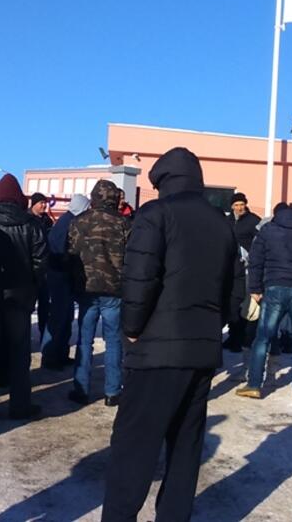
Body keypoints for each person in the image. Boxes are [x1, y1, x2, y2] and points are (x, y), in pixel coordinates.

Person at [102, 148, 243, 522]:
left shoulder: (156, 215)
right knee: (184, 448)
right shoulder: (222, 223)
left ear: (162, 182)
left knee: (133, 448)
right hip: (202, 350)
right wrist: (212, 326)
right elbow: (234, 290)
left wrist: (131, 328)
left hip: (157, 352)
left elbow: (139, 279)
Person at [239, 200, 292, 400]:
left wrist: (254, 288)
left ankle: (253, 384)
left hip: (273, 287)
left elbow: (256, 260)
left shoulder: (268, 229)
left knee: (263, 338)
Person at [0, 174, 48, 420]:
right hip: (20, 296)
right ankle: (19, 405)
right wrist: (31, 285)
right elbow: (41, 261)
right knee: (20, 353)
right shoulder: (31, 224)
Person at [67, 181, 130, 406]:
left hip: (87, 287)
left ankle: (81, 388)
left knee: (85, 340)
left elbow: (71, 253)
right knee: (114, 340)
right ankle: (112, 391)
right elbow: (130, 257)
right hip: (114, 288)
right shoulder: (124, 223)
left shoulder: (79, 221)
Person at [41, 193, 90, 370]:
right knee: (58, 316)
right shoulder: (69, 223)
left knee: (66, 315)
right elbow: (62, 252)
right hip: (60, 275)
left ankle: (60, 353)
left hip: (62, 275)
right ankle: (50, 356)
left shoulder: (68, 220)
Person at [223, 192, 261, 353]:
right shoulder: (227, 221)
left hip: (247, 268)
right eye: (236, 205)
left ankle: (243, 338)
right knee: (232, 303)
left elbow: (260, 242)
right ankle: (232, 335)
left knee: (245, 304)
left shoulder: (253, 221)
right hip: (229, 267)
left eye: (241, 204)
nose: (239, 207)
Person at [29, 192, 54, 341]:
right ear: (34, 204)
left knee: (45, 304)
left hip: (46, 268)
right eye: (41, 203)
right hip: (32, 269)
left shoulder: (47, 221)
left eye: (45, 203)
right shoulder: (27, 220)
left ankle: (44, 333)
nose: (44, 205)